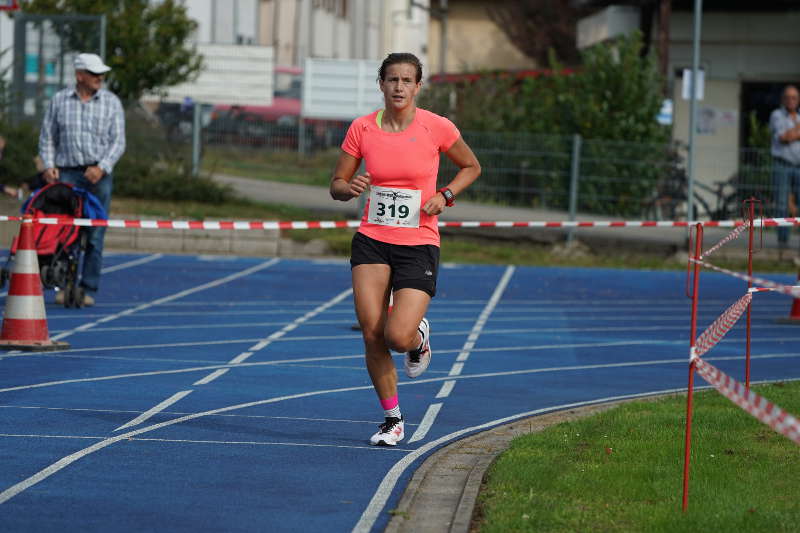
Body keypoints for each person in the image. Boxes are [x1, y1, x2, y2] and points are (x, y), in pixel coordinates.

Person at [330, 52, 481, 446]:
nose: (398, 87)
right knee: (371, 332)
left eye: (406, 80)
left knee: (398, 336)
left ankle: (418, 338)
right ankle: (392, 419)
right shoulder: (362, 128)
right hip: (372, 240)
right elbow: (337, 183)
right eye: (392, 79)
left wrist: (444, 195)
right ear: (381, 84)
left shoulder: (436, 127)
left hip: (418, 243)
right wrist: (349, 188)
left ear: (417, 87)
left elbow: (471, 166)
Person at [38, 52, 126, 306]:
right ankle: (64, 284)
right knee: (65, 231)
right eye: (95, 74)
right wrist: (49, 165)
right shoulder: (59, 101)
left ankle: (87, 288)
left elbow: (118, 141)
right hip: (67, 173)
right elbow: (48, 137)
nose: (100, 78)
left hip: (99, 175)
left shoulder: (111, 103)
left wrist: (102, 167)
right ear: (80, 76)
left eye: (101, 74)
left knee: (96, 234)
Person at [769, 85, 800, 254]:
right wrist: (796, 130)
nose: (791, 100)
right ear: (783, 99)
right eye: (788, 97)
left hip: (799, 166)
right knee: (782, 204)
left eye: (794, 97)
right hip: (782, 164)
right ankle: (782, 241)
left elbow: (790, 135)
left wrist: (793, 132)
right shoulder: (777, 115)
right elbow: (783, 137)